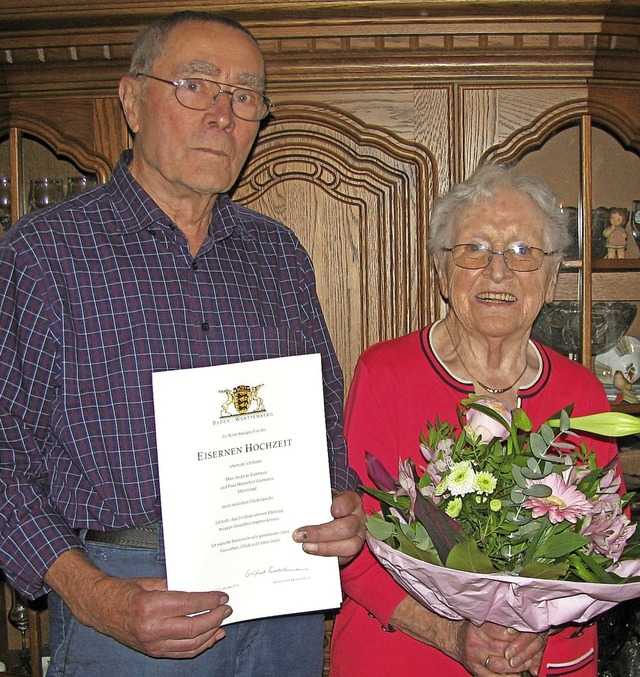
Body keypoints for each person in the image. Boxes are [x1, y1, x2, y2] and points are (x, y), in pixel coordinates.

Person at [0, 11, 364, 677]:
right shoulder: (42, 254)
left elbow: (323, 421)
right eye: (196, 85)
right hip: (130, 602)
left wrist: (342, 503)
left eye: (246, 96)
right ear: (133, 101)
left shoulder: (279, 254)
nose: (224, 115)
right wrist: (94, 594)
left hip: (284, 590)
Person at [330, 165, 620, 677]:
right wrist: (451, 634)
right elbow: (352, 542)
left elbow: (603, 548)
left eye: (523, 252)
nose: (498, 272)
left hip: (545, 661)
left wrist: (537, 630)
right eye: (475, 249)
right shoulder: (386, 375)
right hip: (405, 657)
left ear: (552, 279)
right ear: (442, 272)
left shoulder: (582, 393)